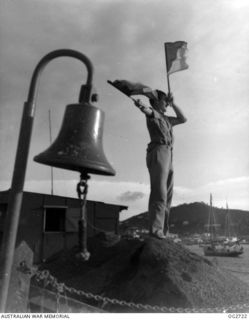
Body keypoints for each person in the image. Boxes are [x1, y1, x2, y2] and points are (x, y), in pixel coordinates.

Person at [134, 90, 187, 239]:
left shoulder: (167, 119)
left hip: (169, 154)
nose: (166, 105)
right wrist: (141, 106)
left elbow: (183, 119)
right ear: (156, 102)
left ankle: (163, 231)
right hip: (158, 151)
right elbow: (147, 110)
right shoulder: (153, 113)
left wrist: (173, 103)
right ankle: (156, 229)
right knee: (160, 192)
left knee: (168, 194)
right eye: (164, 102)